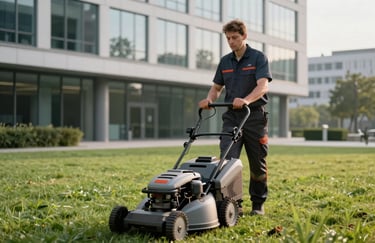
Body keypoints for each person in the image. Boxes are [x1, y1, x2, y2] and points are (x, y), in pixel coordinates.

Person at [198, 19, 272, 216]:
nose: (231, 42)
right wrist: (209, 99)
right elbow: (216, 87)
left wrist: (246, 100)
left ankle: (258, 204)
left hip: (254, 117)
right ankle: (232, 204)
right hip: (232, 118)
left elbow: (263, 85)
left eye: (235, 38)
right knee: (228, 162)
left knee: (257, 163)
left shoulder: (258, 58)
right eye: (228, 38)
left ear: (244, 36)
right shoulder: (225, 61)